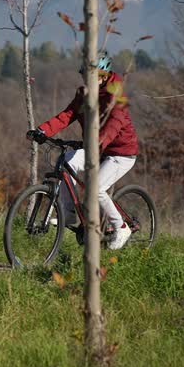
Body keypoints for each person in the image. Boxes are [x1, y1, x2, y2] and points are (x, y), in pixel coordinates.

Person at [25, 53, 139, 250]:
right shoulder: (83, 94)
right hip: (97, 149)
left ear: (103, 77)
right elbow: (67, 115)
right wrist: (42, 130)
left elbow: (114, 124)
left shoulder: (116, 95)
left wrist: (98, 142)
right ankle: (68, 212)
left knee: (96, 188)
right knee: (67, 160)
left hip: (121, 154)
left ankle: (121, 227)